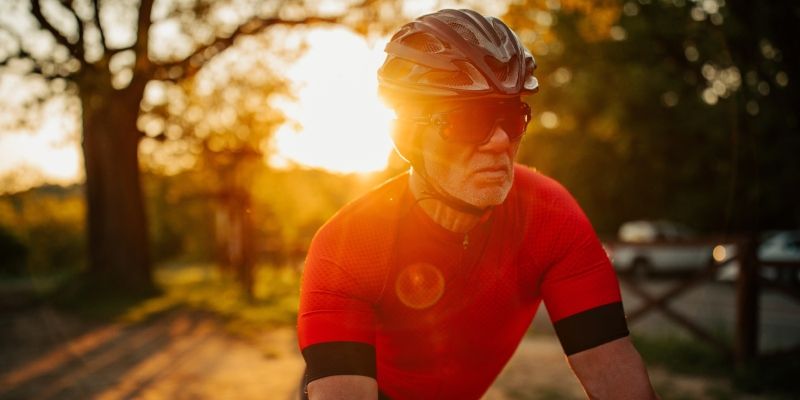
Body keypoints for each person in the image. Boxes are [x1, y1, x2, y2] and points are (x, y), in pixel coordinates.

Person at [297, 8, 658, 400]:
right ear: (410, 134)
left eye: (513, 116)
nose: (501, 140)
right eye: (470, 119)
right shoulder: (348, 245)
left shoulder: (551, 216)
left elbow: (616, 374)